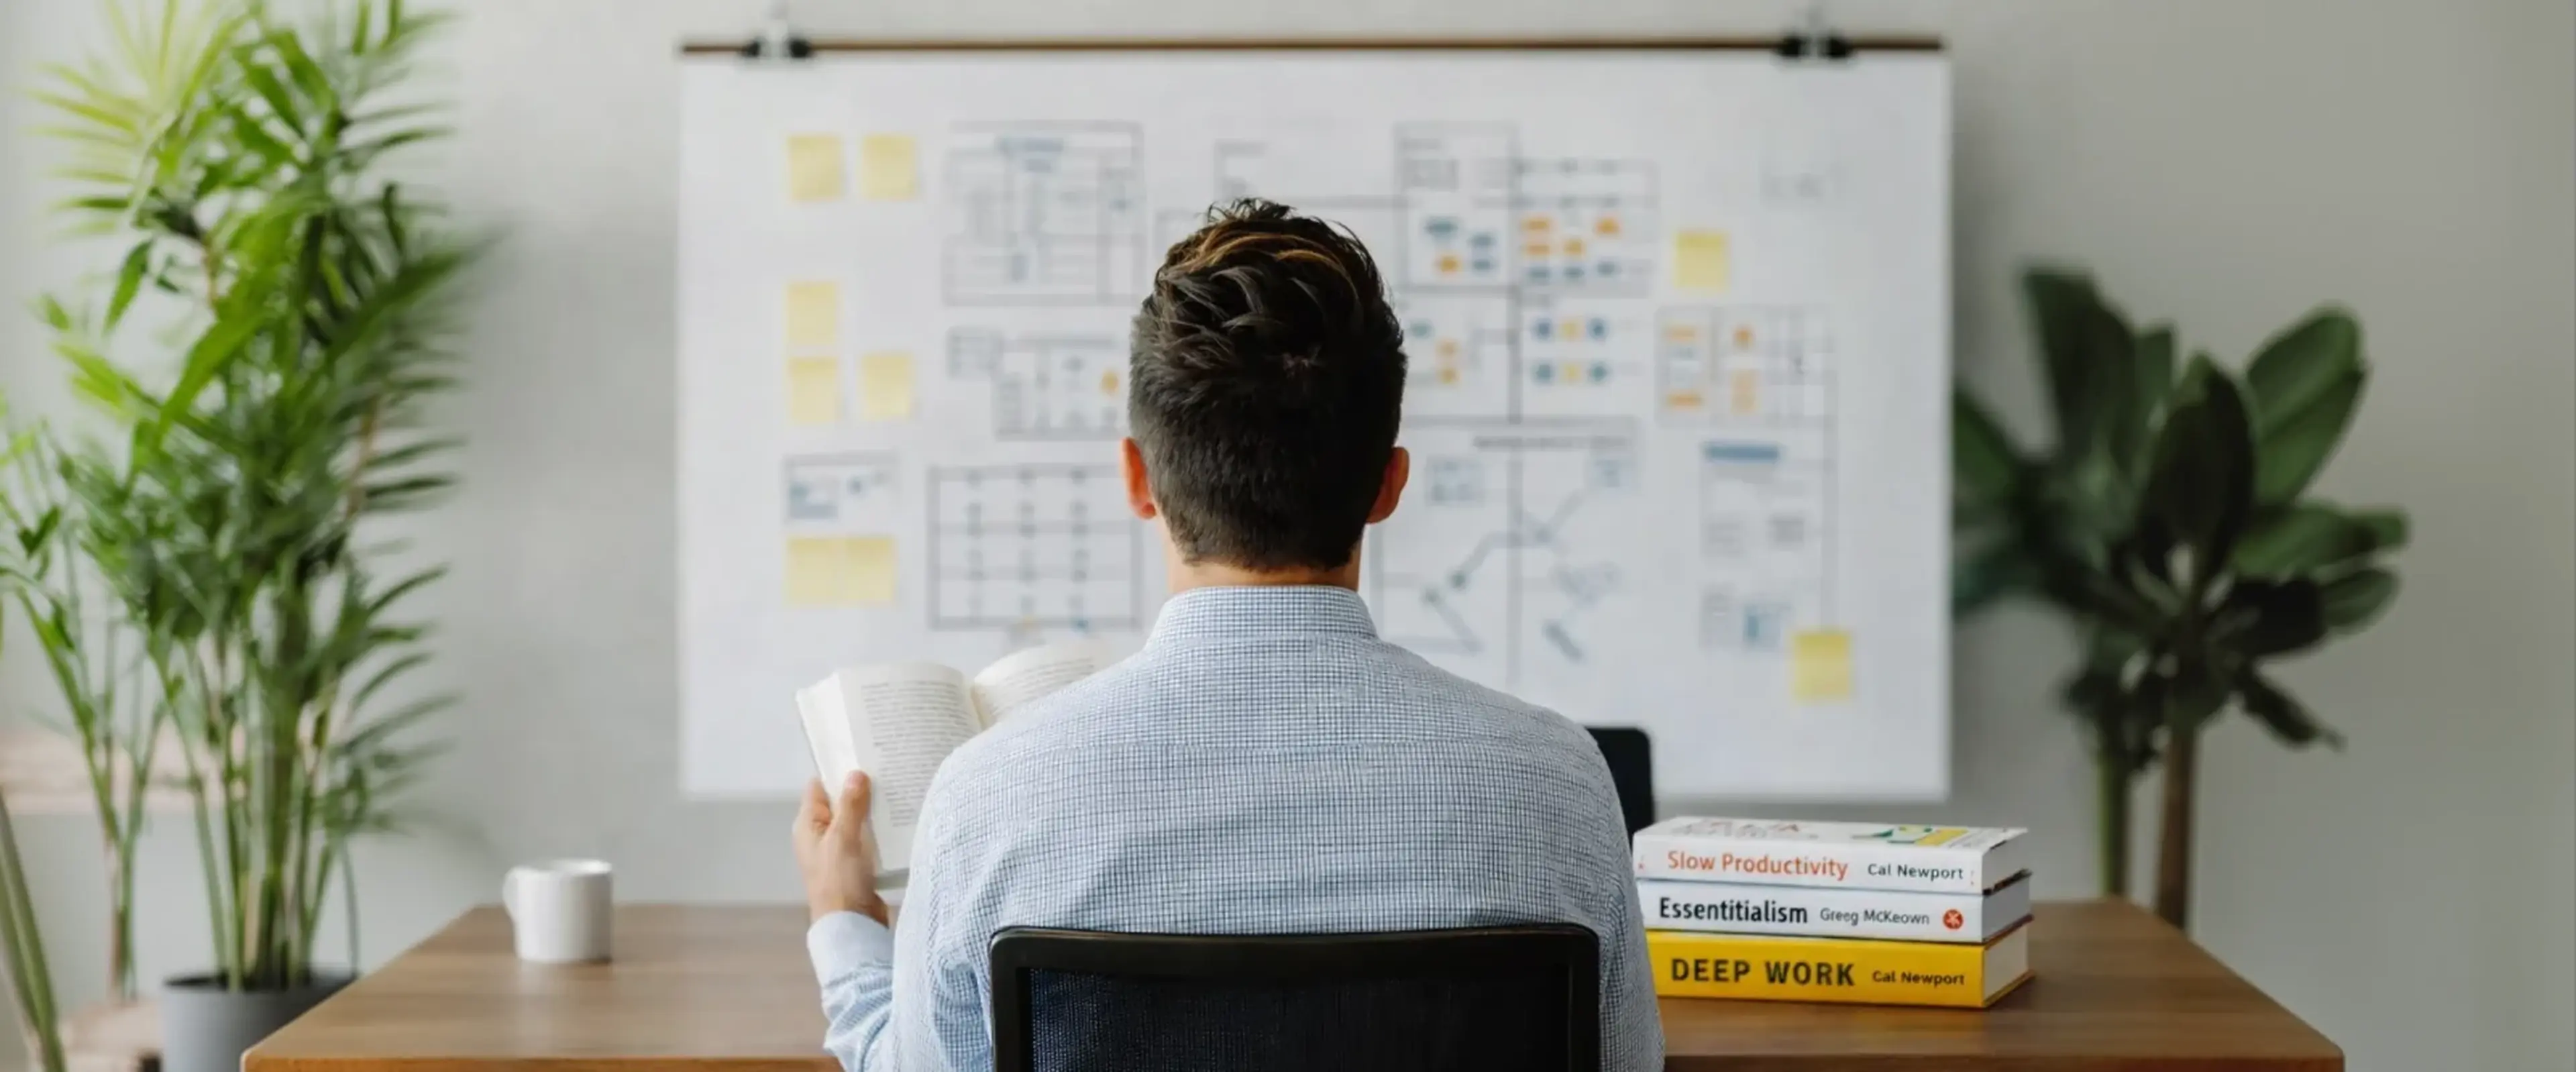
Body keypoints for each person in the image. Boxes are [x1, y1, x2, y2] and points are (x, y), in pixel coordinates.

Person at [791, 199, 1662, 1070]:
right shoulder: (1563, 786)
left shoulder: (984, 800)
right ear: (1389, 486)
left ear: (1138, 478)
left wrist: (844, 925)